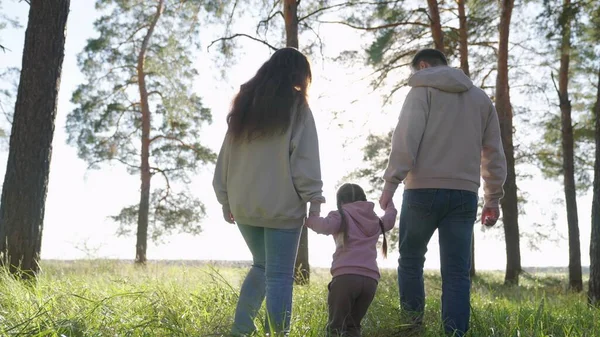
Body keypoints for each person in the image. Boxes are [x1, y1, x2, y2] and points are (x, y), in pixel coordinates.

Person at [379, 49, 507, 336]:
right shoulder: (480, 99)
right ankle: (455, 334)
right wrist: (492, 198)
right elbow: (493, 153)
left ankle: (411, 330)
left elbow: (405, 139)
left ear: (423, 66)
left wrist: (391, 183)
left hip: (422, 190)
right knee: (457, 273)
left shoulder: (421, 90)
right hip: (464, 195)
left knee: (411, 261)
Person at [212, 47, 325, 337]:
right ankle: (278, 334)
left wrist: (225, 198)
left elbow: (226, 156)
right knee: (279, 276)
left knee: (261, 267)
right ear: (299, 74)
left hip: (244, 205)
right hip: (282, 208)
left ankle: (240, 331)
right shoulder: (297, 105)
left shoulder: (245, 105)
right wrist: (314, 201)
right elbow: (305, 157)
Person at [306, 183, 397, 337]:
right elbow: (391, 217)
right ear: (363, 199)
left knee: (335, 327)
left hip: (345, 278)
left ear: (340, 201)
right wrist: (388, 202)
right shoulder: (374, 219)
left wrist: (314, 208)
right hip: (370, 281)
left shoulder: (341, 215)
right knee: (353, 327)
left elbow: (319, 225)